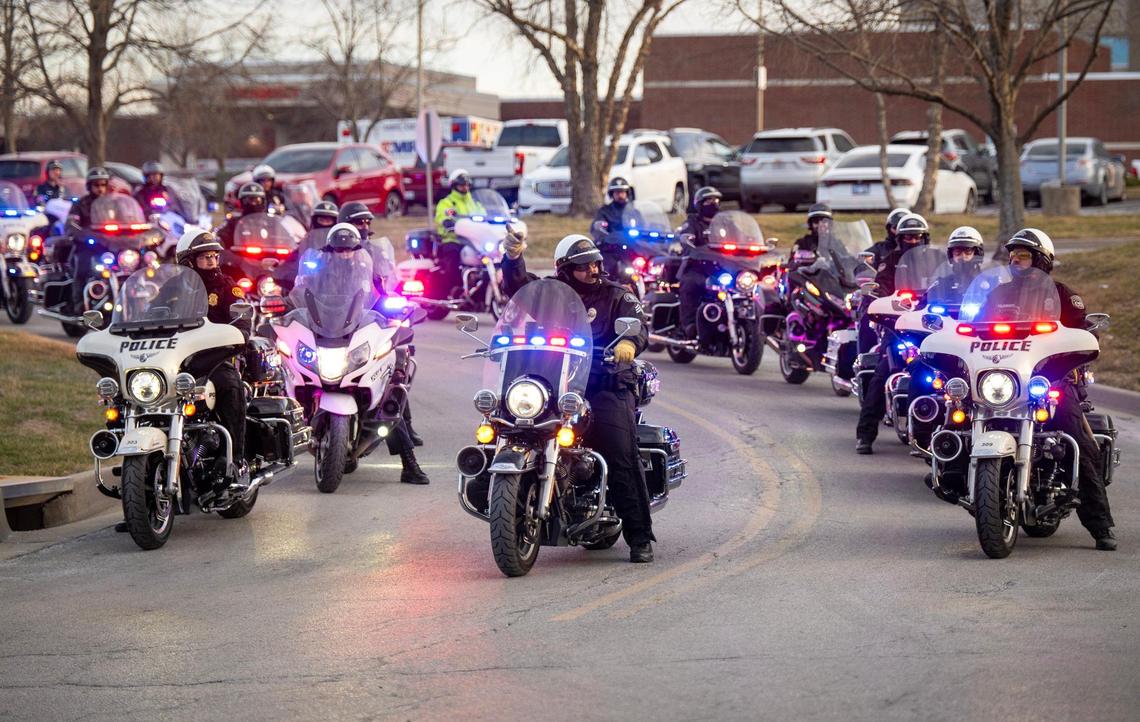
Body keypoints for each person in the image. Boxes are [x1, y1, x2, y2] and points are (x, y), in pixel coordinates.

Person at [501, 229, 656, 563]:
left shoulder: (617, 295)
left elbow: (638, 323)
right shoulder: (549, 294)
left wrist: (629, 343)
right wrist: (513, 255)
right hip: (557, 382)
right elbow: (518, 288)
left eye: (596, 264)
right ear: (563, 269)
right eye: (584, 266)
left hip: (606, 382)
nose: (593, 271)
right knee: (512, 423)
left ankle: (640, 536)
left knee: (619, 452)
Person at [983, 228, 1116, 550]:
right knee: (955, 416)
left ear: (1042, 259)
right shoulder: (997, 295)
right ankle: (951, 471)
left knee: (1080, 443)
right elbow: (973, 329)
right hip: (1004, 381)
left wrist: (1084, 341)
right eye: (1013, 255)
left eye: (1024, 255)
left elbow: (1085, 335)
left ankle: (1100, 525)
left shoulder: (1063, 294)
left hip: (1051, 380)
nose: (1016, 261)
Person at [317, 224, 429, 483]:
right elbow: (303, 296)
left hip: (359, 338)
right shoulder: (319, 272)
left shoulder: (367, 270)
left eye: (349, 249)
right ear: (331, 249)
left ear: (357, 249)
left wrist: (393, 308)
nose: (344, 254)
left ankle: (409, 464)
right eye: (339, 249)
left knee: (387, 397)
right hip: (328, 336)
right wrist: (289, 305)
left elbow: (380, 297)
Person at [177, 232, 251, 481]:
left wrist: (238, 334)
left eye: (214, 256)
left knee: (230, 386)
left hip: (215, 359)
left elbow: (243, 323)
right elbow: (151, 312)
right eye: (204, 257)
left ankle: (234, 459)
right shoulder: (174, 287)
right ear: (188, 261)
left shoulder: (228, 286)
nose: (211, 261)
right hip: (177, 358)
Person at [855, 212, 930, 455]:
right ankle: (865, 435)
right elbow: (879, 289)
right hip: (898, 327)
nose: (912, 241)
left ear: (924, 237)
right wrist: (878, 301)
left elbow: (948, 289)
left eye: (917, 236)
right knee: (881, 373)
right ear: (898, 237)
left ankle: (925, 436)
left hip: (929, 328)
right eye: (907, 237)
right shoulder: (890, 261)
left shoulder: (938, 263)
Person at [857, 207, 910, 353]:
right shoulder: (882, 252)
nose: (912, 240)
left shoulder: (927, 257)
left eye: (916, 236)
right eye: (895, 227)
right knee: (867, 319)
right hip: (886, 299)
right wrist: (878, 291)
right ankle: (865, 359)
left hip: (915, 303)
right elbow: (862, 269)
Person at [676, 185, 723, 339]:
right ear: (699, 204)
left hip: (722, 268)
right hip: (697, 267)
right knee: (692, 284)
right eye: (709, 201)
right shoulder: (692, 222)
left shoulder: (724, 223)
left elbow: (742, 237)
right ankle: (689, 325)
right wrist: (693, 247)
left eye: (716, 200)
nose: (714, 203)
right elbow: (686, 239)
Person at [64, 167, 112, 314]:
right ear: (89, 186)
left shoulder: (113, 203)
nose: (100, 188)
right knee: (83, 269)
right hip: (87, 246)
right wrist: (82, 233)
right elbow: (71, 224)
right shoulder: (80, 204)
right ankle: (79, 305)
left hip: (109, 246)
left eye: (103, 185)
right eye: (96, 185)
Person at [433, 169, 483, 297]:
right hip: (453, 239)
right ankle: (455, 289)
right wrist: (447, 222)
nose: (465, 187)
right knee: (453, 257)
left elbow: (485, 215)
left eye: (466, 184)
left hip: (474, 241)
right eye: (461, 185)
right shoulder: (447, 203)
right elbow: (441, 216)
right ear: (454, 186)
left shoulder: (475, 203)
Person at [216, 182, 267, 248]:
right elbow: (221, 235)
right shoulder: (233, 221)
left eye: (257, 200)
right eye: (250, 200)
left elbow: (281, 238)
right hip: (239, 256)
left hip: (268, 255)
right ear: (242, 201)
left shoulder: (270, 221)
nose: (254, 204)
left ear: (263, 201)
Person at [590, 177, 633, 242]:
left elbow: (644, 226)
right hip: (613, 245)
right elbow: (598, 228)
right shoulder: (604, 211)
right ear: (611, 194)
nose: (620, 195)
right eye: (617, 192)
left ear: (627, 193)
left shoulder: (633, 210)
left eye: (622, 192)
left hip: (633, 243)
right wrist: (601, 229)